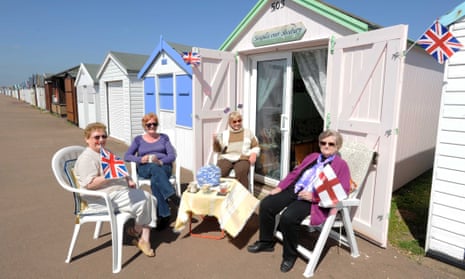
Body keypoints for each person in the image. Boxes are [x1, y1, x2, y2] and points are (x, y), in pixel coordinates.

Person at [247, 129, 351, 273]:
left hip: (311, 200)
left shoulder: (341, 165)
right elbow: (295, 173)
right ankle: (266, 242)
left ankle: (289, 255)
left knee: (288, 218)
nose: (326, 146)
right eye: (323, 143)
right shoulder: (313, 156)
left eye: (331, 144)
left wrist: (314, 197)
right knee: (266, 204)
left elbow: (343, 190)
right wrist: (280, 187)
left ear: (337, 146)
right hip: (295, 189)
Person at [73, 122, 157, 257]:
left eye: (103, 136)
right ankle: (139, 235)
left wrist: (128, 179)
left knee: (151, 199)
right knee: (146, 199)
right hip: (101, 198)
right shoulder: (86, 158)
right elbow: (89, 184)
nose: (101, 140)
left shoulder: (106, 153)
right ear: (87, 139)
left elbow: (120, 169)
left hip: (117, 192)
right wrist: (108, 175)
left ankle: (140, 234)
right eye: (96, 137)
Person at [125, 113, 180, 230]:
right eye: (148, 124)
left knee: (156, 179)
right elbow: (127, 156)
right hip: (145, 167)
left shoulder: (164, 138)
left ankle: (164, 215)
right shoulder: (138, 140)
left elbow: (171, 156)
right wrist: (140, 159)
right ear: (144, 126)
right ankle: (172, 195)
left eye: (154, 124)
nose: (151, 126)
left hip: (163, 166)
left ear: (157, 125)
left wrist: (160, 162)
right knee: (154, 169)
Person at [213, 111, 260, 188]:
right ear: (230, 123)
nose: (237, 123)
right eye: (234, 122)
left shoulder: (248, 132)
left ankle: (242, 194)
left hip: (243, 157)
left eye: (239, 121)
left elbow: (256, 146)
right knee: (220, 172)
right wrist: (215, 142)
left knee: (241, 171)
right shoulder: (225, 134)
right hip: (227, 157)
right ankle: (222, 192)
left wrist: (254, 154)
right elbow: (218, 150)